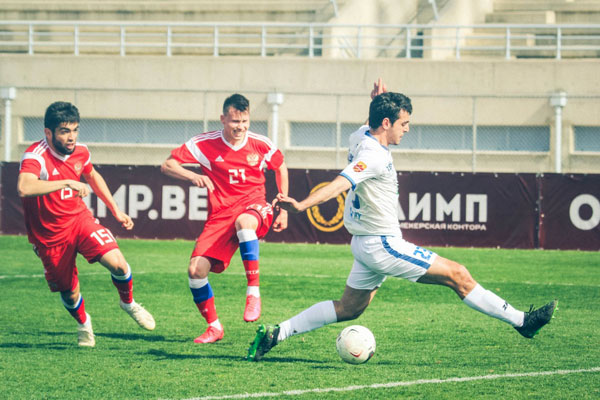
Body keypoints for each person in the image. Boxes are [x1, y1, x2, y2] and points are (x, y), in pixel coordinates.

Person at [246, 79, 557, 361]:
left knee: (349, 308)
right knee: (458, 275)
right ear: (386, 123)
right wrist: (302, 205)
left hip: (365, 243)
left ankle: (276, 334)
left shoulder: (360, 136)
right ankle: (523, 322)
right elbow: (340, 183)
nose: (407, 129)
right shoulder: (373, 155)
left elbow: (367, 125)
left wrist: (377, 102)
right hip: (382, 244)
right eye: (404, 123)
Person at [17, 101, 155, 347]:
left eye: (75, 130)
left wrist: (115, 210)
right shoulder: (35, 155)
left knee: (118, 264)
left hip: (79, 220)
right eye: (64, 131)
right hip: (49, 235)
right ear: (48, 132)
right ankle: (83, 323)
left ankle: (128, 303)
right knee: (69, 293)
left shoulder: (80, 150)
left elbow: (92, 175)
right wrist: (67, 182)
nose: (72, 137)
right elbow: (25, 187)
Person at [161, 93, 289, 344]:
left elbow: (280, 167)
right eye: (235, 122)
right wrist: (193, 176)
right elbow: (168, 165)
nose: (240, 127)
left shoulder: (260, 144)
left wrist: (283, 208)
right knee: (195, 270)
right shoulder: (204, 143)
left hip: (254, 205)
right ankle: (214, 327)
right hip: (220, 215)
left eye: (245, 121)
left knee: (244, 222)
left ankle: (253, 292)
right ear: (223, 119)